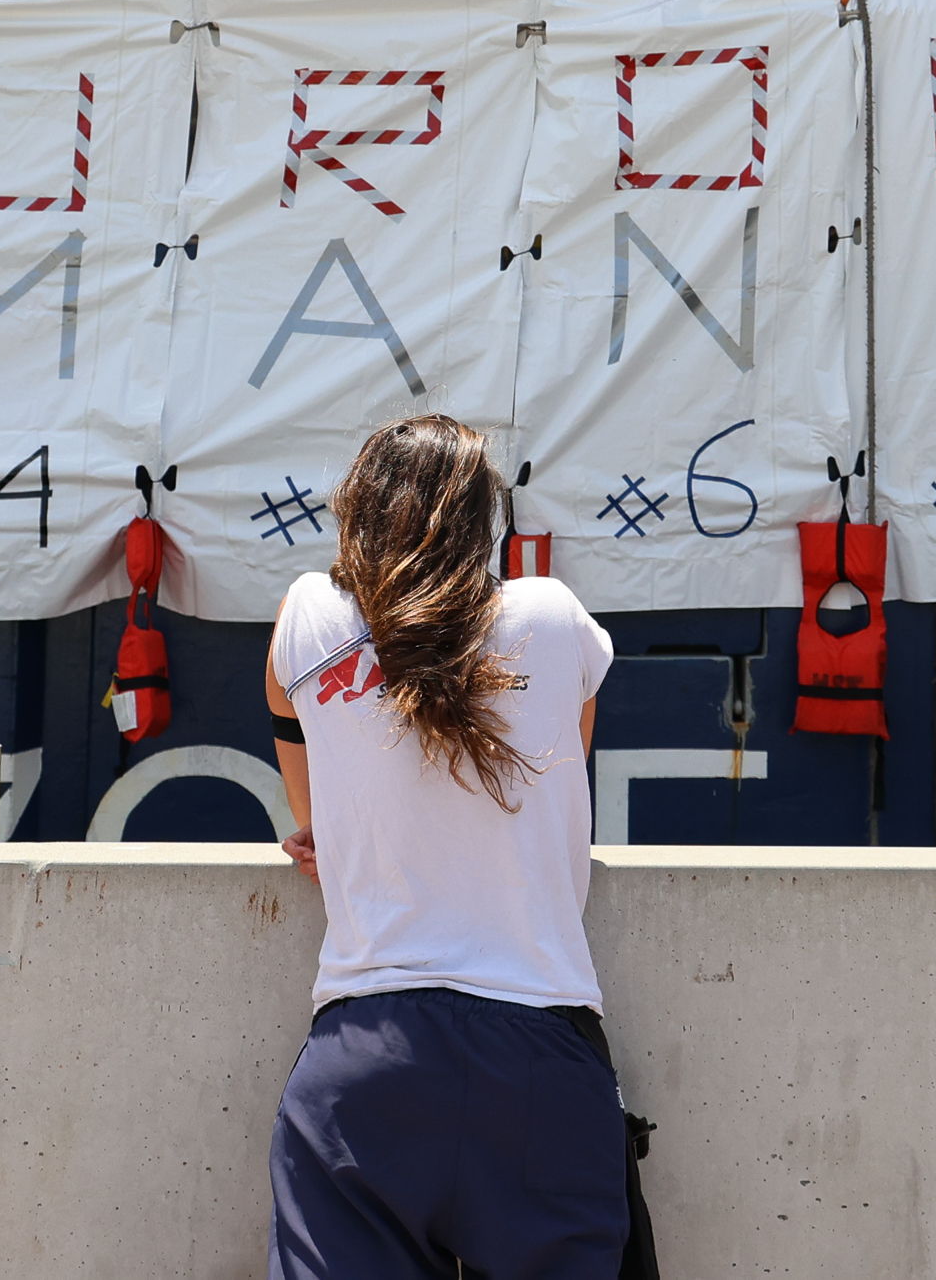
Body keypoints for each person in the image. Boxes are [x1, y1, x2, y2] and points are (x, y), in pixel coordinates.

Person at [264, 413, 629, 1280]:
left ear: (355, 507)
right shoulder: (550, 614)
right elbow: (562, 766)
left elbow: (311, 813)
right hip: (538, 1055)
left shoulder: (311, 619)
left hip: (365, 1061)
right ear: (484, 521)